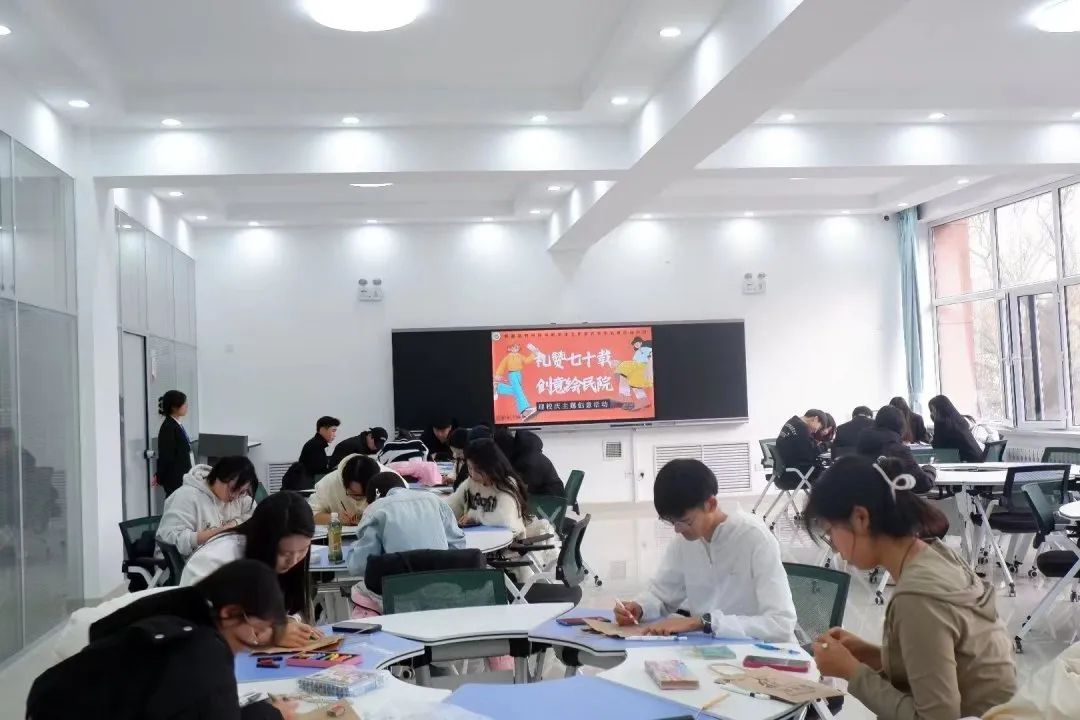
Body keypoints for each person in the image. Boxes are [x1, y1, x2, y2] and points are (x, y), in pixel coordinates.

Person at [805, 455, 1016, 720]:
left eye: (830, 533)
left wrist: (851, 672)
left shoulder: (918, 597)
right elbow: (944, 663)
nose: (834, 548)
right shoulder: (936, 554)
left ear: (860, 518)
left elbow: (937, 718)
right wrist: (868, 655)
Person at [27, 560, 296, 720]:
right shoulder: (203, 655)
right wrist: (273, 715)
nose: (253, 645)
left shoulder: (178, 604)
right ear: (229, 613)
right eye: (256, 632)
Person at [613, 459, 797, 642]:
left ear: (711, 504)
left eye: (685, 521)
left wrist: (704, 622)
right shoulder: (685, 541)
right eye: (671, 522)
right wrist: (639, 608)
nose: (677, 529)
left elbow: (781, 623)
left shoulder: (754, 538)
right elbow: (662, 594)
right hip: (708, 647)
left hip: (758, 650)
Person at [181, 491, 320, 649]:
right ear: (264, 543)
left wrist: (291, 622)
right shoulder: (216, 560)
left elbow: (291, 608)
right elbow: (198, 624)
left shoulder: (286, 563)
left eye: (303, 550)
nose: (293, 561)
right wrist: (271, 634)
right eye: (284, 553)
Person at [346, 471, 465, 577]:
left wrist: (353, 550)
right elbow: (457, 545)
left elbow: (359, 566)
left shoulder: (376, 508)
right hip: (442, 583)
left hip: (399, 588)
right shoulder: (435, 500)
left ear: (374, 498)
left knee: (357, 588)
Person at [156, 456, 258, 557]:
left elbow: (256, 514)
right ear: (219, 476)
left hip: (219, 560)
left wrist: (234, 523)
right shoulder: (186, 497)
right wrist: (218, 532)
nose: (235, 496)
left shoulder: (240, 498)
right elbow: (169, 540)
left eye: (243, 492)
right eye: (233, 489)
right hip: (185, 563)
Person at [448, 438, 531, 538]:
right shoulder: (471, 482)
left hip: (507, 543)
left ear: (491, 467)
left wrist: (474, 516)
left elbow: (504, 519)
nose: (473, 474)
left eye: (478, 470)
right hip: (478, 539)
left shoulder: (506, 485)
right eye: (469, 468)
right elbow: (453, 504)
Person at [856, 406, 937, 493]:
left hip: (865, 498)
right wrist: (930, 469)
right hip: (890, 499)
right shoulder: (899, 450)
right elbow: (924, 484)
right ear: (901, 425)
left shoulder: (862, 445)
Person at [309, 453, 383, 525]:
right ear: (344, 482)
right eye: (354, 493)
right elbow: (310, 515)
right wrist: (336, 518)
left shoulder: (384, 481)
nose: (359, 498)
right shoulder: (327, 484)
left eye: (365, 495)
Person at [775, 409, 830, 483]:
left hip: (784, 472)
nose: (816, 431)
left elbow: (804, 447)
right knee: (832, 475)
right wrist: (825, 445)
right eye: (819, 427)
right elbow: (810, 454)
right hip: (795, 475)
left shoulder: (792, 422)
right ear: (815, 419)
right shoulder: (801, 428)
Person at [155, 390, 193, 497]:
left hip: (182, 476)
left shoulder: (176, 424)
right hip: (175, 479)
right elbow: (166, 455)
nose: (186, 406)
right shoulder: (168, 427)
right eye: (184, 403)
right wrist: (159, 476)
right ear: (174, 407)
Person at [509, 429, 565, 497]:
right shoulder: (534, 455)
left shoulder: (530, 460)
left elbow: (529, 487)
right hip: (553, 493)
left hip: (551, 497)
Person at [928, 395, 984, 463]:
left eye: (932, 410)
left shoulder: (941, 422)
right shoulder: (958, 420)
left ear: (938, 409)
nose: (931, 413)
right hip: (978, 459)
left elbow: (938, 447)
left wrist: (931, 440)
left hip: (967, 462)